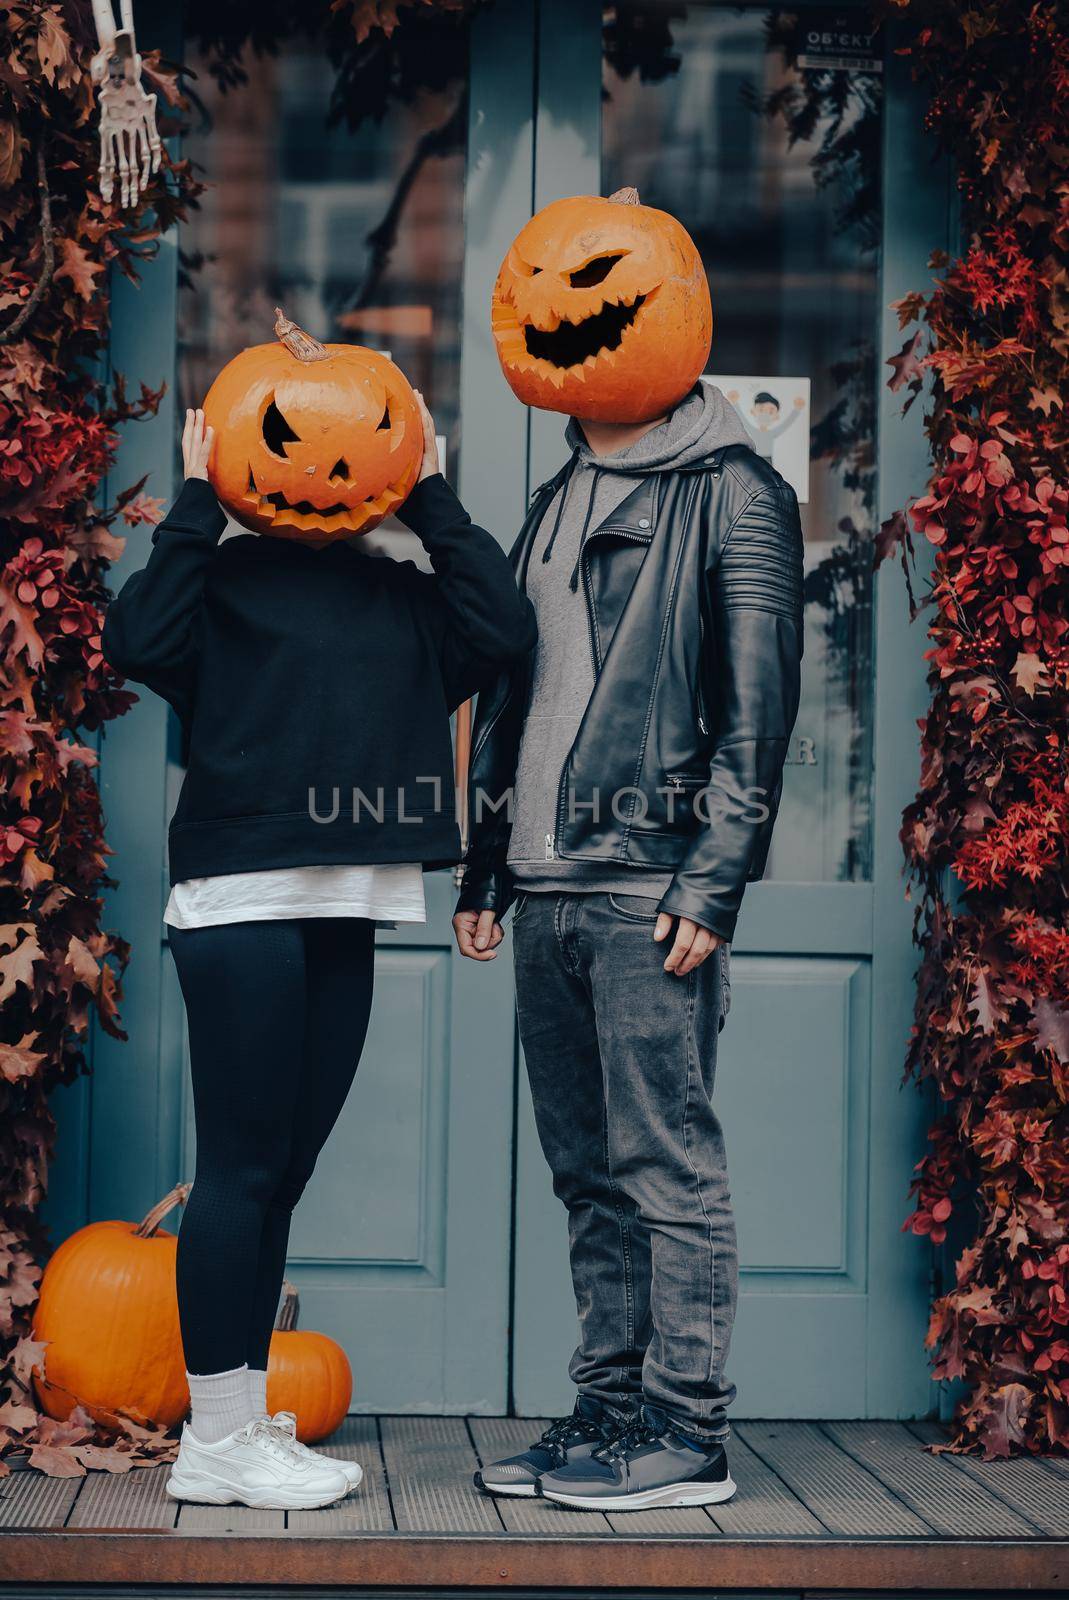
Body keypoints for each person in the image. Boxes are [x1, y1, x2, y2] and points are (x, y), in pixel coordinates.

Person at [103, 399, 535, 1512]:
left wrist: (430, 490)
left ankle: (239, 1416)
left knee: (283, 1169)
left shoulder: (403, 591)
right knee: (242, 1168)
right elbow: (137, 640)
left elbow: (503, 629)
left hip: (349, 900)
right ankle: (218, 1440)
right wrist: (196, 500)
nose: (325, 462)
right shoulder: (221, 585)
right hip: (241, 894)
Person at [453, 380, 803, 1511]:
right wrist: (485, 863)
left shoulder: (736, 491)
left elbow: (760, 707)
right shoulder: (557, 494)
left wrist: (715, 879)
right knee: (588, 1177)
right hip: (547, 889)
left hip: (648, 885)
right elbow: (516, 690)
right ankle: (608, 1414)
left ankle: (687, 1432)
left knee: (667, 1166)